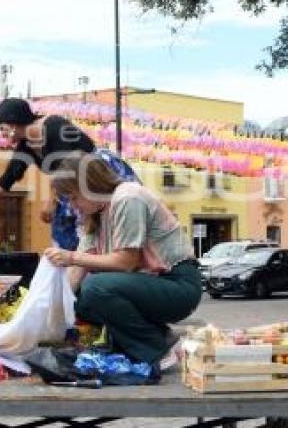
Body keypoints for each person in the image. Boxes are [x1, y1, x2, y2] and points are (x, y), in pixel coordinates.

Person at [44, 152, 201, 370]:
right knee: (80, 299)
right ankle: (159, 338)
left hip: (178, 284)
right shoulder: (95, 214)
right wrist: (52, 309)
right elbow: (76, 273)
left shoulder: (128, 198)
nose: (73, 206)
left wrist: (71, 257)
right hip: (150, 284)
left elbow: (126, 262)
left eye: (73, 197)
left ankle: (156, 350)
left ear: (89, 185)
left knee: (96, 287)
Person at [0, 98, 137, 250]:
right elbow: (6, 180)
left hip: (94, 175)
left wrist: (51, 202)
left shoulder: (54, 126)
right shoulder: (26, 146)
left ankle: (103, 262)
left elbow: (67, 166)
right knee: (66, 233)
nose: (1, 133)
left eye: (2, 127)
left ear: (13, 124)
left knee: (100, 223)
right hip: (70, 187)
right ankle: (76, 267)